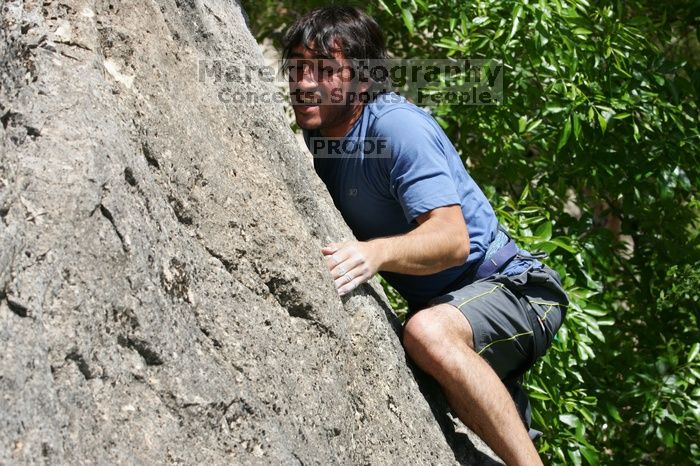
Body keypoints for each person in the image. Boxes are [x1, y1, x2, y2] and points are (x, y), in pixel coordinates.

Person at [283, 6, 568, 466]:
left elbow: (452, 239)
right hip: (455, 306)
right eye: (297, 66)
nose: (304, 82)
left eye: (324, 70)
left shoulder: (395, 127)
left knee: (426, 334)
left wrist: (376, 253)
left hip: (515, 290)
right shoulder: (324, 141)